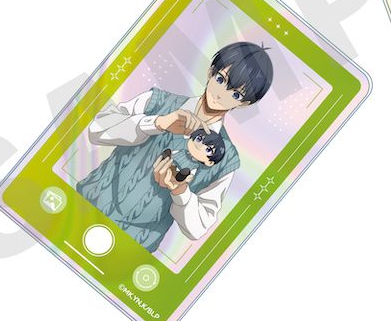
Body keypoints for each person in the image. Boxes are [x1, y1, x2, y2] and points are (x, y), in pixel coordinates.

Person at [76, 41, 274, 252]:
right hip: (83, 204)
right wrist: (157, 123)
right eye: (220, 79)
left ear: (244, 103)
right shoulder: (157, 101)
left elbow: (198, 227)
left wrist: (180, 191)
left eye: (235, 94)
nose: (220, 94)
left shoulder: (227, 159)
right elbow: (96, 129)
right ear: (210, 72)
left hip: (133, 245)